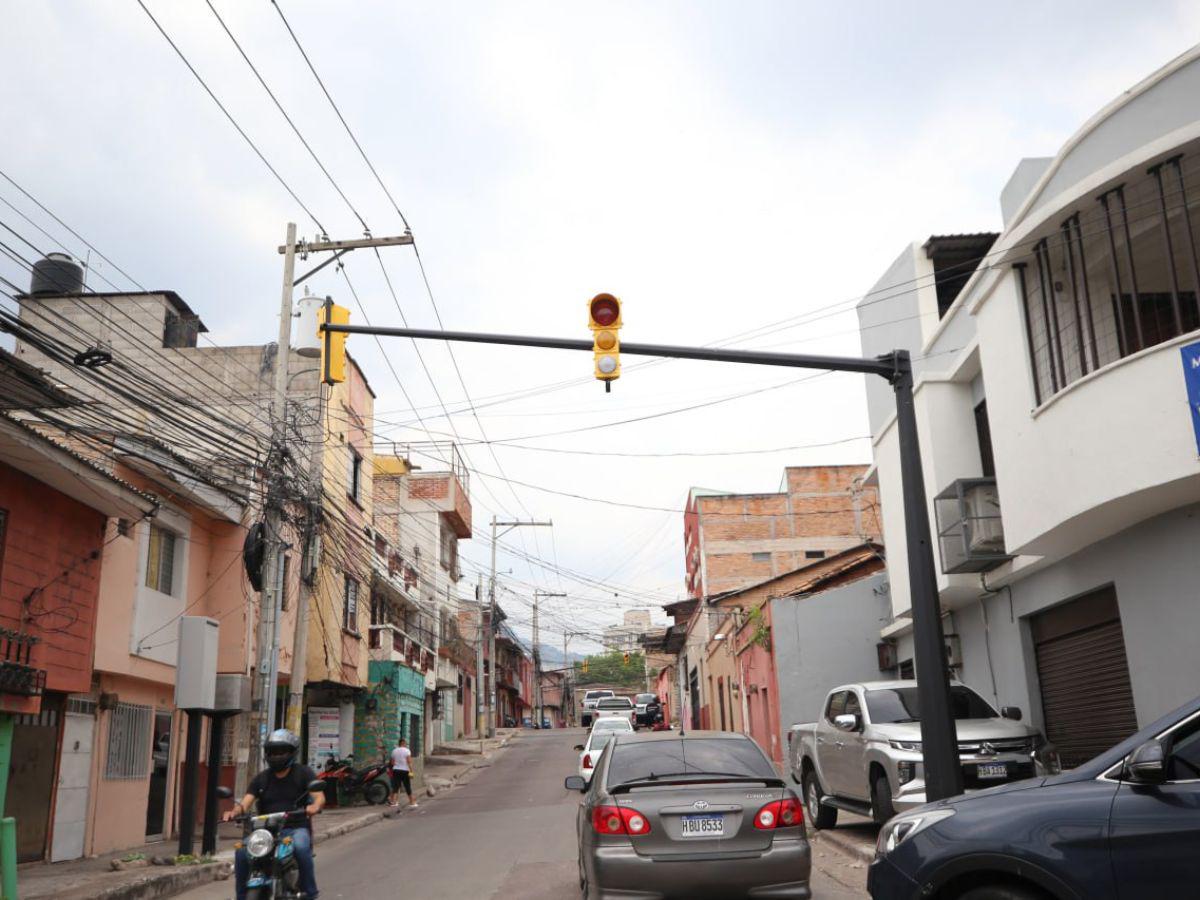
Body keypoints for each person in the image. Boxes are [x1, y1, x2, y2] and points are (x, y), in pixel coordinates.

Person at [223, 728, 325, 900]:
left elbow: (319, 797)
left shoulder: (303, 773)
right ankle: (241, 896)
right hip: (265, 832)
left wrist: (314, 807)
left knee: (301, 848)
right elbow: (245, 803)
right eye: (273, 752)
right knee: (241, 851)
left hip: (294, 828)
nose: (277, 756)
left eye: (281, 751)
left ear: (292, 752)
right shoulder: (261, 778)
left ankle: (310, 893)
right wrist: (234, 812)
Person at [388, 737, 417, 807]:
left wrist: (397, 765)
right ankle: (412, 802)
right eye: (405, 743)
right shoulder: (407, 751)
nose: (406, 744)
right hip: (405, 771)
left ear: (399, 743)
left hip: (396, 770)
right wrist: (411, 772)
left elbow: (392, 762)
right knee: (407, 787)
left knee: (396, 786)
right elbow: (409, 762)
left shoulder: (394, 751)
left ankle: (394, 802)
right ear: (403, 743)